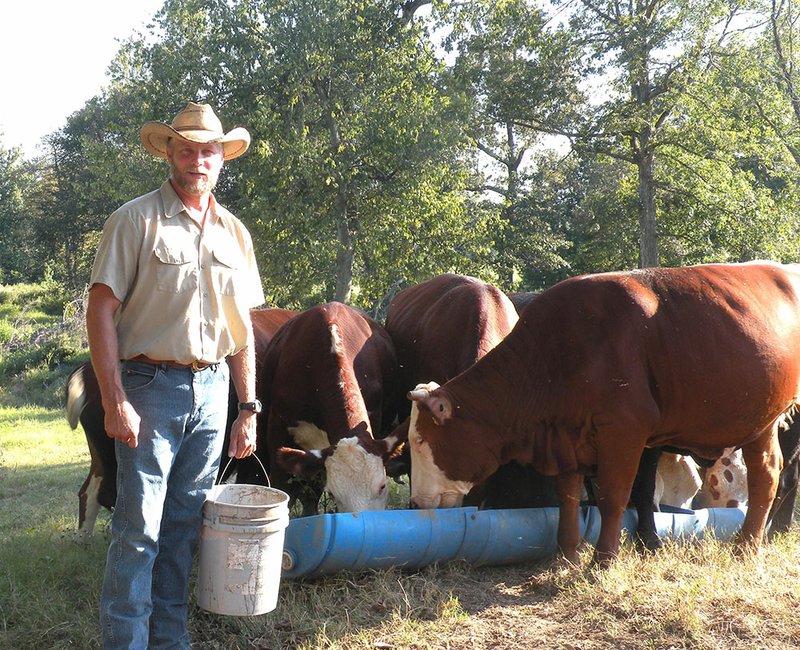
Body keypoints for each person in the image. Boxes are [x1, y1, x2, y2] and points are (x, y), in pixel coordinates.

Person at [86, 102, 265, 649]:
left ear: (221, 159)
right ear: (169, 154)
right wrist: (115, 399)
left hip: (212, 394)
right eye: (186, 149)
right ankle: (126, 642)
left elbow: (243, 330)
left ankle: (170, 640)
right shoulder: (135, 219)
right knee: (139, 530)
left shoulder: (235, 232)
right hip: (148, 387)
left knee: (183, 527)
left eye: (207, 150)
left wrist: (248, 408)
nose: (197, 160)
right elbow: (100, 311)